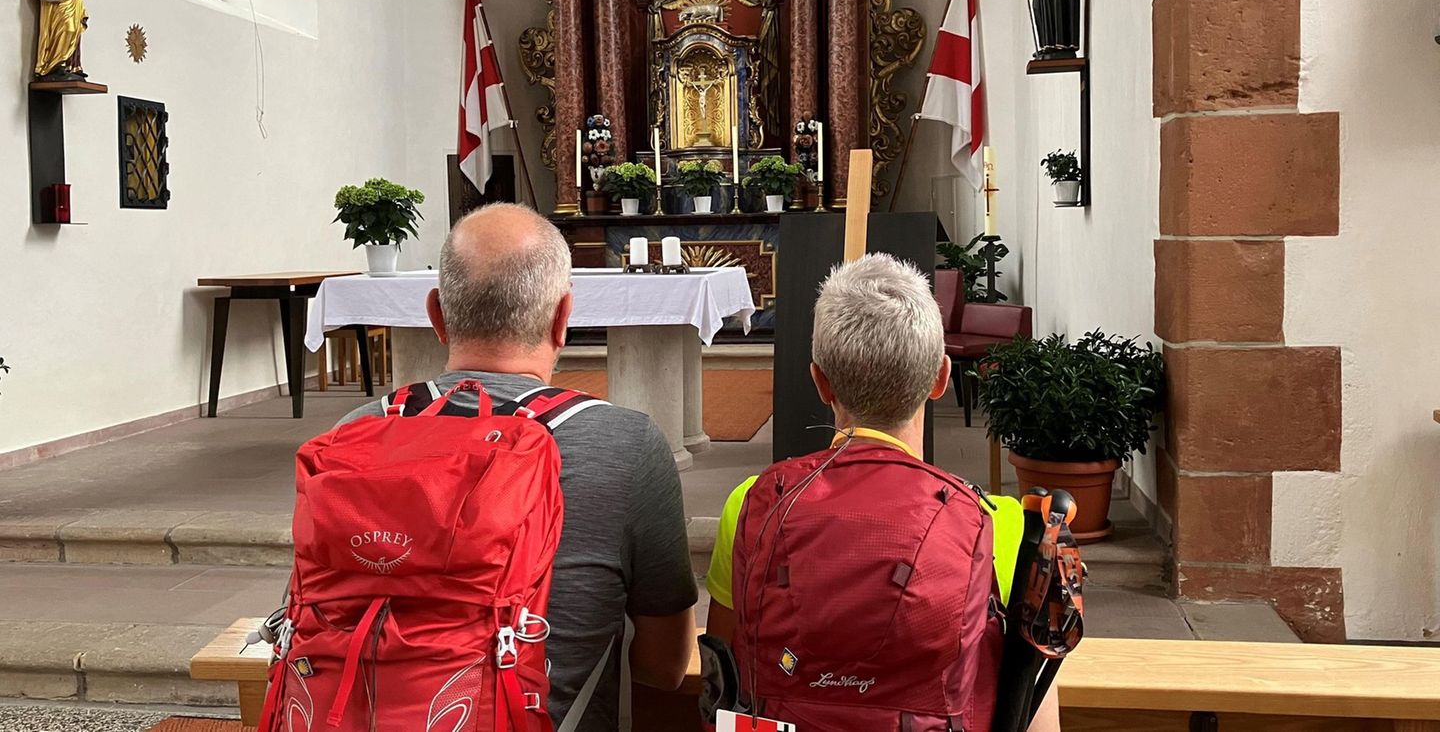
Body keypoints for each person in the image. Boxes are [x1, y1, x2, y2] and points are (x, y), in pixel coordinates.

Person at [340, 203, 697, 731]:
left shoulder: (354, 434)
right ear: (562, 318)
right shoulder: (627, 445)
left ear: (435, 315)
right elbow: (664, 666)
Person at [703, 254, 1061, 731]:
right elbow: (1036, 718)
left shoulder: (752, 503)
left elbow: (726, 683)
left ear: (820, 382)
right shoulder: (1001, 521)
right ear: (940, 379)